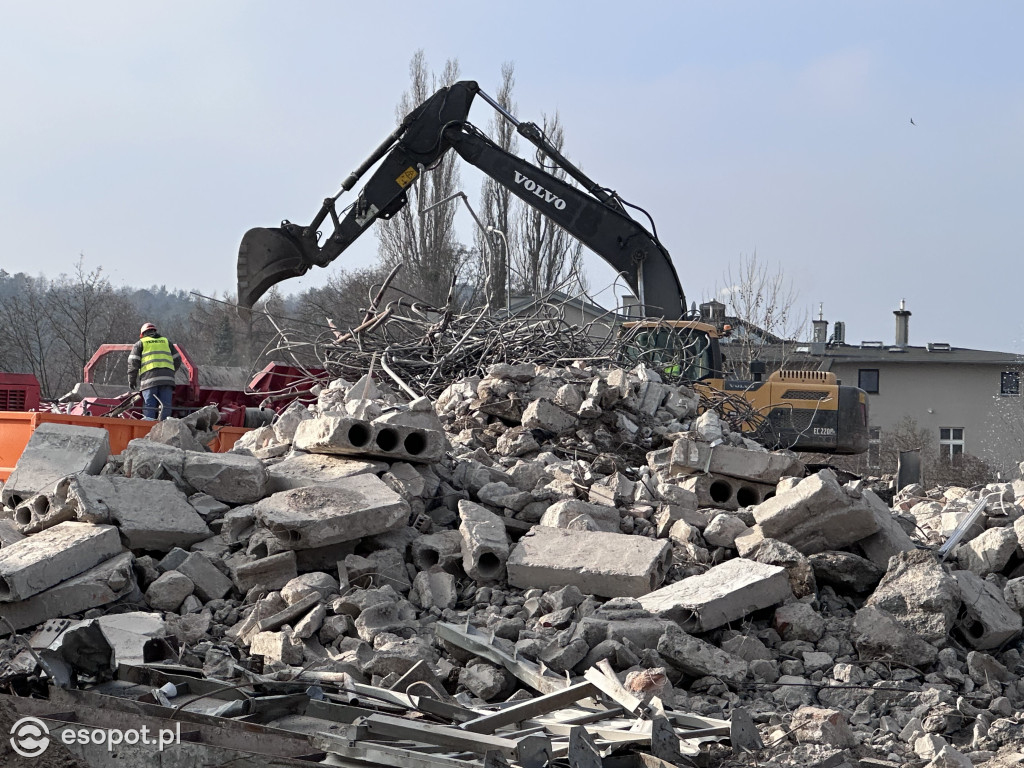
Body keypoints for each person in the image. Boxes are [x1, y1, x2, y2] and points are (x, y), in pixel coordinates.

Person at [127, 322, 181, 420]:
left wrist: (132, 380)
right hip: (167, 380)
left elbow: (133, 363)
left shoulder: (141, 343)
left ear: (142, 334)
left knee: (149, 405)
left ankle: (148, 428)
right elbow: (177, 360)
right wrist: (169, 372)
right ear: (154, 331)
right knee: (166, 405)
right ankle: (165, 428)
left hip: (149, 380)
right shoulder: (166, 342)